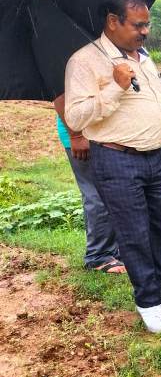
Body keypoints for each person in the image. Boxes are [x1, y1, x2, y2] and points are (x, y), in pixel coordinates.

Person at [64, 0, 161, 333]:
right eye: (138, 25)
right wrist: (115, 86)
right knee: (134, 232)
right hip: (116, 158)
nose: (145, 31)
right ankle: (149, 302)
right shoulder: (84, 61)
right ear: (112, 21)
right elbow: (76, 118)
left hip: (157, 156)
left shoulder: (144, 56)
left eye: (147, 25)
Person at [53, 95, 124, 273]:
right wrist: (76, 135)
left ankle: (116, 252)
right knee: (96, 193)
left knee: (116, 193)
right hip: (83, 135)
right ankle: (98, 255)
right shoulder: (66, 67)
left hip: (107, 133)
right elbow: (59, 96)